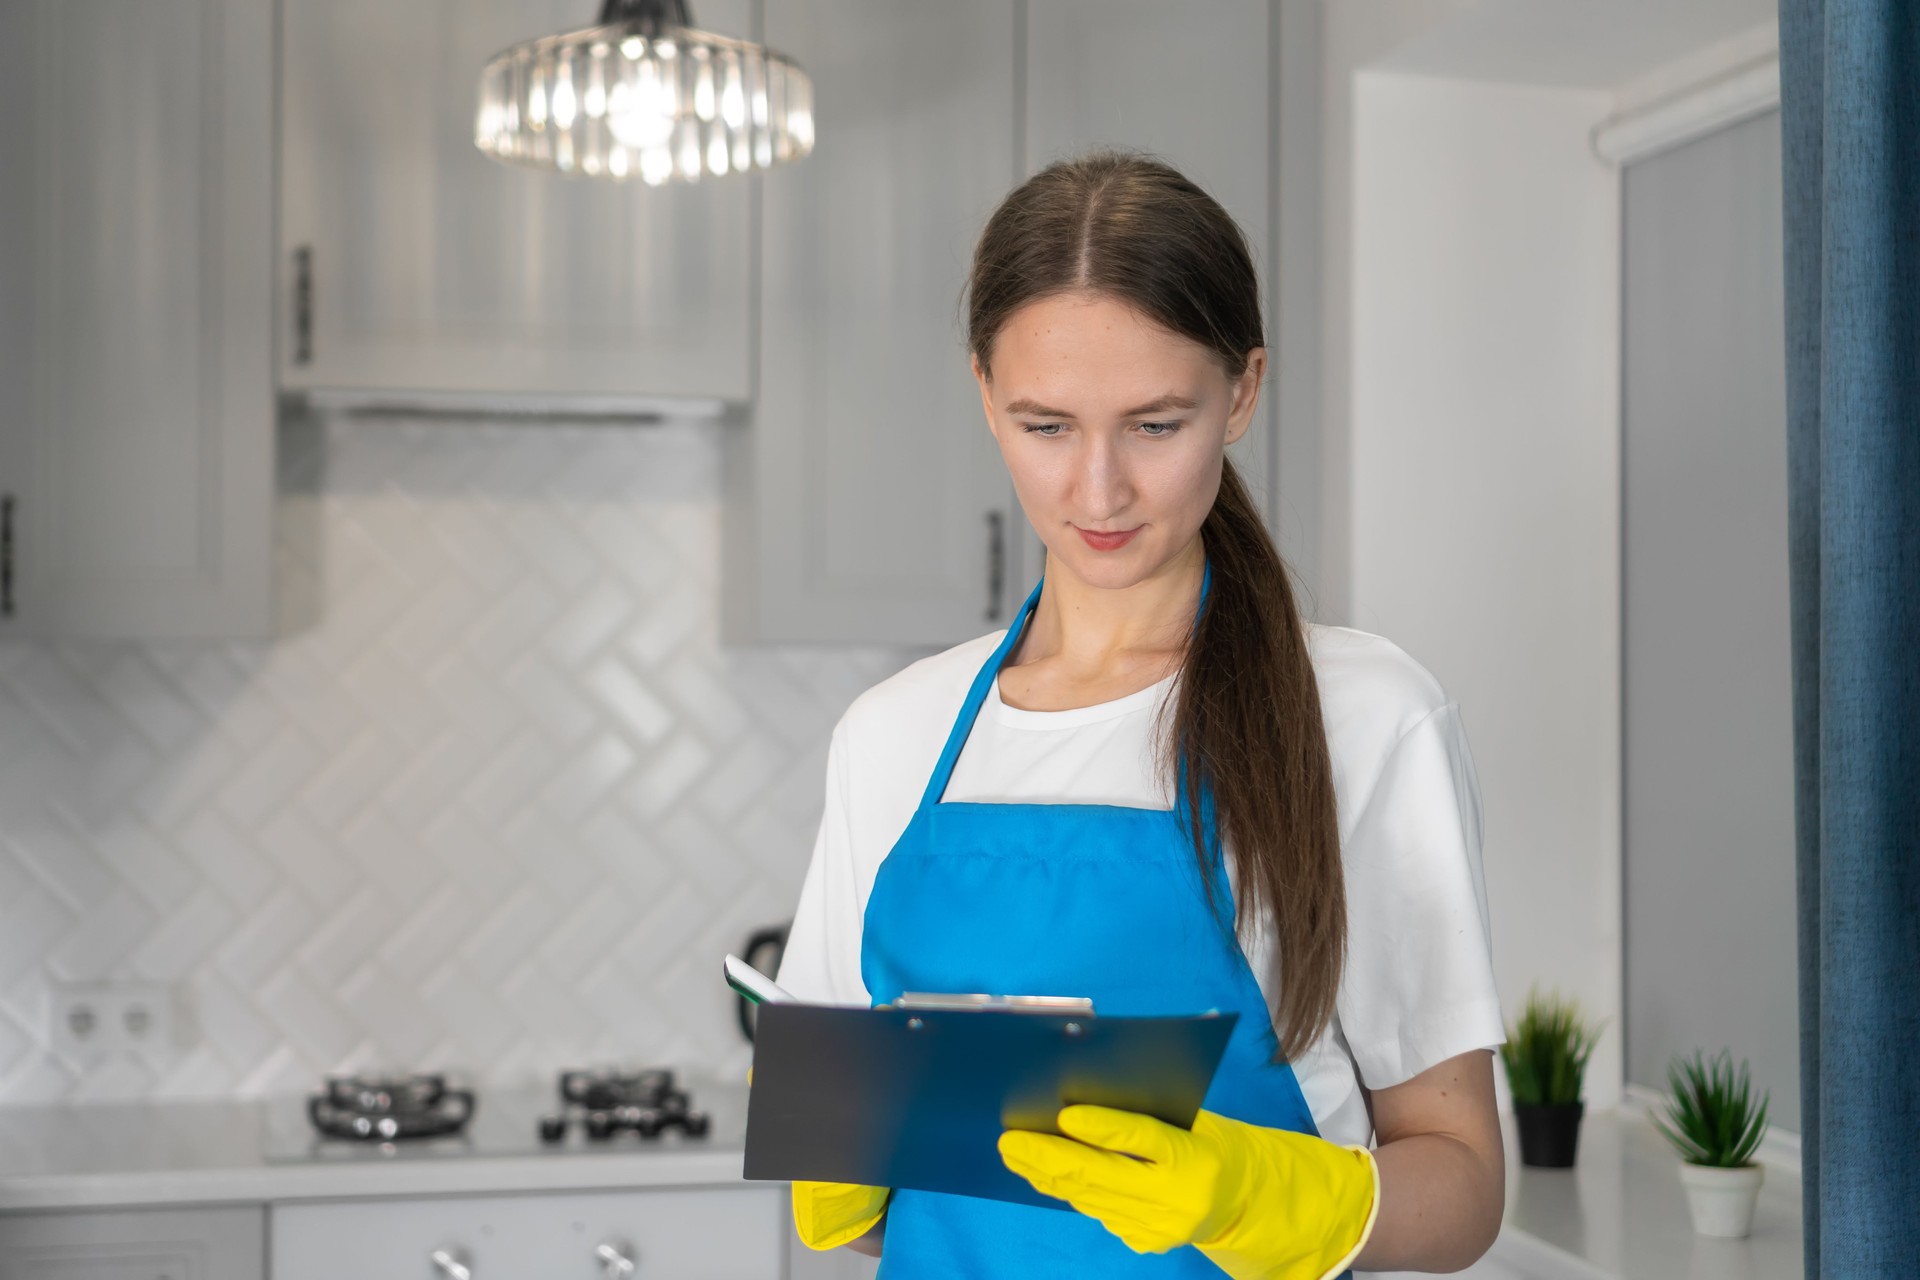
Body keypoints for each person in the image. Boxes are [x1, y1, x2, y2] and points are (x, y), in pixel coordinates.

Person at [773, 150, 1507, 1278]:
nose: (1100, 490)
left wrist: (1266, 1195)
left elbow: (1462, 1187)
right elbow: (859, 1197)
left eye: (1157, 424)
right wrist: (834, 1143)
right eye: (1047, 425)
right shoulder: (893, 735)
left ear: (1242, 391)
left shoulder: (1363, 718)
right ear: (983, 395)